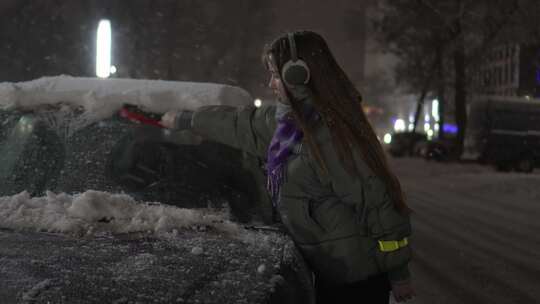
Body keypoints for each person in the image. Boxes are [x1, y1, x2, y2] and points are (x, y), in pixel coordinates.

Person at [161, 30, 415, 303]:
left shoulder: (331, 136)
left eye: (275, 74)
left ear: (298, 76)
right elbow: (237, 124)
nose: (270, 83)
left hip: (357, 280)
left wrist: (398, 273)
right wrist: (185, 120)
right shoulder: (285, 126)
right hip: (326, 272)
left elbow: (379, 205)